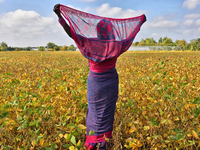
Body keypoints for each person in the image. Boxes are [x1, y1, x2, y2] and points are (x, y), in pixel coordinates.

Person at [54, 4, 146, 150]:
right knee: (106, 113)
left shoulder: (90, 43)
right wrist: (140, 23)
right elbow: (130, 36)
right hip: (110, 83)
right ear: (111, 32)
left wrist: (60, 17)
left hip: (95, 83)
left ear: (97, 31)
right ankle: (104, 144)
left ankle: (92, 143)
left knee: (95, 112)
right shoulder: (116, 44)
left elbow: (72, 34)